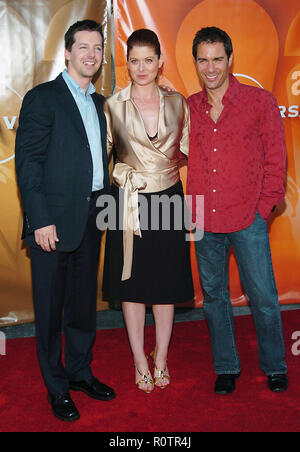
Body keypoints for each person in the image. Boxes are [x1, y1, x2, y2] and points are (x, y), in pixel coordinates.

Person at [15, 20, 116, 422]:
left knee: (82, 307)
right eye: (84, 47)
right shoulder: (43, 98)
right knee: (51, 308)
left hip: (92, 217)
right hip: (51, 224)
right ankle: (56, 388)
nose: (91, 55)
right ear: (68, 51)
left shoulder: (101, 103)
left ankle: (79, 373)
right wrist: (39, 219)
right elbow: (29, 163)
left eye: (97, 48)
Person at [187, 27, 288, 395]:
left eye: (217, 59)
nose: (210, 67)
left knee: (262, 296)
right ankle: (226, 366)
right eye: (203, 59)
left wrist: (262, 208)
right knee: (214, 299)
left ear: (230, 60)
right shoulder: (188, 106)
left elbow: (276, 162)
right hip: (204, 219)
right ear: (195, 62)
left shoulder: (260, 102)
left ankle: (275, 365)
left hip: (248, 218)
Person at [102, 29, 194, 393]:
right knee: (133, 283)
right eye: (135, 61)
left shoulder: (178, 103)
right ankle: (140, 359)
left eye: (148, 60)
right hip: (127, 200)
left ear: (160, 62)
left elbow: (188, 150)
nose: (142, 68)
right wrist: (120, 173)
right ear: (128, 65)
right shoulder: (113, 105)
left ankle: (161, 358)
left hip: (169, 198)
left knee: (165, 284)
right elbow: (102, 159)